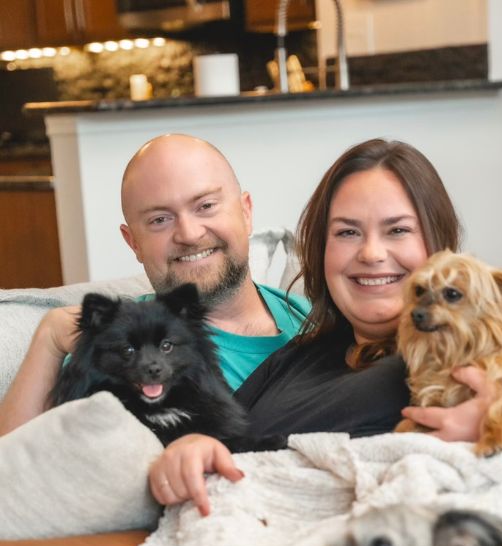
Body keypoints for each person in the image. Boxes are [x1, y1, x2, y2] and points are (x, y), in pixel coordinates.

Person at [150, 138, 502, 524]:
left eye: (397, 230)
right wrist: (189, 449)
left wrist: (494, 434)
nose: (371, 253)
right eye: (347, 233)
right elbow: (215, 440)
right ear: (320, 250)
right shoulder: (292, 360)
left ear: (434, 241)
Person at [0, 134, 309, 436]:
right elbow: (17, 469)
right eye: (160, 219)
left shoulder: (312, 316)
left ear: (246, 212)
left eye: (205, 206)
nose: (188, 233)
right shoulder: (115, 351)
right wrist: (49, 335)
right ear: (133, 242)